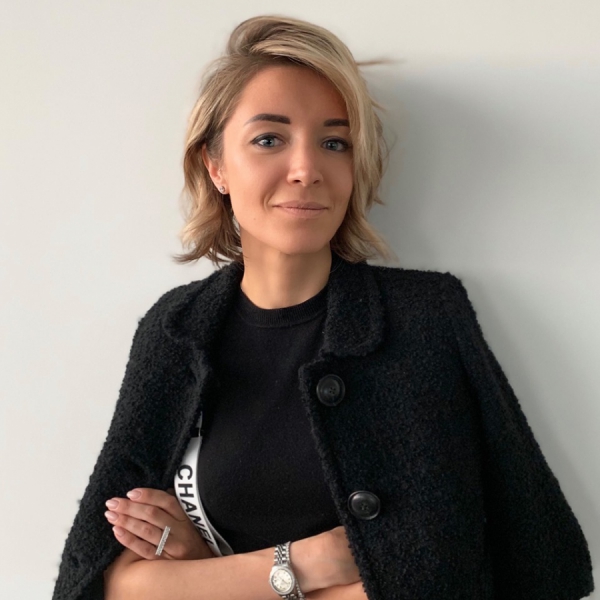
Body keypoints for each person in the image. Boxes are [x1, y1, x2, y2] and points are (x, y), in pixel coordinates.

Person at [52, 14, 594, 600]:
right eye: (269, 139)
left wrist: (202, 573)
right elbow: (104, 581)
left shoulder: (423, 319)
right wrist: (310, 562)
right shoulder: (175, 328)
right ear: (216, 165)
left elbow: (448, 575)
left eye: (334, 143)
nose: (307, 170)